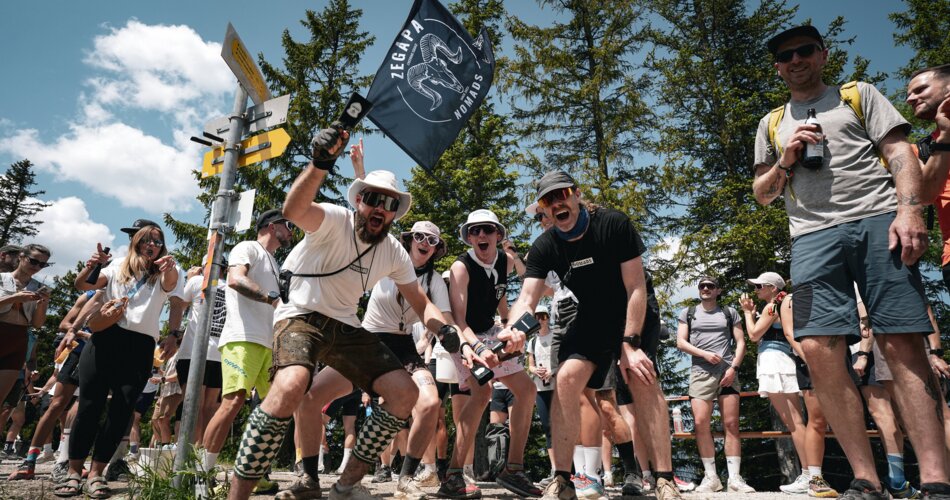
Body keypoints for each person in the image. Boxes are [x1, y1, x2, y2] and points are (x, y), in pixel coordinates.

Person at [752, 24, 950, 497]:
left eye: (803, 51)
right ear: (778, 67)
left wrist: (909, 209)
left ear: (821, 54)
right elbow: (762, 194)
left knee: (902, 343)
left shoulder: (856, 94)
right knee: (819, 350)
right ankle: (865, 477)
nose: (794, 60)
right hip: (812, 236)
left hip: (877, 220)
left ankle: (937, 478)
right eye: (785, 56)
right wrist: (787, 158)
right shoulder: (772, 122)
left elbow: (898, 149)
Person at [226, 124, 464, 500]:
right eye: (372, 199)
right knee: (291, 386)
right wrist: (320, 163)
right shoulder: (333, 219)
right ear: (359, 201)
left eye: (389, 205)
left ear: (395, 213)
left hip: (345, 326)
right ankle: (241, 494)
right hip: (300, 314)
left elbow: (421, 303)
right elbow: (294, 209)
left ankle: (345, 486)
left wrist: (446, 330)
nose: (379, 210)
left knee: (404, 393)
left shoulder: (393, 252)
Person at [505, 171, 681, 500]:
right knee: (567, 378)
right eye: (548, 200)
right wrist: (514, 331)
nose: (558, 202)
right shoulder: (545, 245)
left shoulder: (613, 224)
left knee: (640, 376)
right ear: (543, 210)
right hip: (592, 317)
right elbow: (527, 299)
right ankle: (563, 479)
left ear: (577, 194)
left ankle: (664, 478)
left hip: (634, 309)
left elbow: (636, 287)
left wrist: (630, 344)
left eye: (563, 194)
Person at [59, 224, 177, 498]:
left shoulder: (164, 272)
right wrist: (92, 266)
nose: (152, 245)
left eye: (158, 241)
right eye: (147, 240)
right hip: (106, 340)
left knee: (122, 411)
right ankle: (74, 471)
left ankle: (97, 473)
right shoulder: (117, 268)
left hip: (140, 346)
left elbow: (171, 286)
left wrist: (169, 267)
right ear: (137, 242)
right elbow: (83, 285)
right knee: (89, 406)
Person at [436, 208, 540, 499]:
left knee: (528, 391)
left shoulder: (506, 261)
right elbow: (458, 319)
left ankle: (513, 469)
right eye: (475, 231)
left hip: (492, 332)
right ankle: (454, 475)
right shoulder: (460, 268)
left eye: (487, 229)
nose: (481, 235)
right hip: (465, 336)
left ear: (498, 235)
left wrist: (508, 326)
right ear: (469, 238)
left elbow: (519, 284)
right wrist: (478, 347)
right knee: (481, 395)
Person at [197, 209, 291, 497]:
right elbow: (236, 279)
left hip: (267, 344)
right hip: (243, 338)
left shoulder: (275, 262)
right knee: (232, 402)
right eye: (288, 226)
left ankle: (255, 473)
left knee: (273, 411)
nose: (292, 231)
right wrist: (270, 297)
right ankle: (201, 475)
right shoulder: (247, 247)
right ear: (272, 226)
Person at [677, 276, 751, 493]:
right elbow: (680, 342)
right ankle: (711, 477)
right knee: (701, 423)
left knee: (731, 424)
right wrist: (704, 355)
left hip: (727, 373)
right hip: (700, 373)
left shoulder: (729, 312)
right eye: (702, 286)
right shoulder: (688, 313)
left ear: (718, 290)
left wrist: (733, 368)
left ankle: (735, 478)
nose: (706, 289)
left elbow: (741, 342)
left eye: (710, 286)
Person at [907, 64, 950, 288]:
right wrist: (944, 138)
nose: (910, 99)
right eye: (908, 94)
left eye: (920, 90)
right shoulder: (922, 150)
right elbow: (924, 195)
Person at [0, 244, 51, 407]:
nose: (36, 267)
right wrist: (14, 298)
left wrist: (43, 304)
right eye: (33, 261)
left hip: (18, 340)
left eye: (42, 264)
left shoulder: (38, 287)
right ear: (21, 256)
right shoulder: (2, 278)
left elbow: (37, 324)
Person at [526, 304, 555, 481]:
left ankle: (571, 468)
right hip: (540, 387)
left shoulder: (555, 336)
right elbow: (530, 364)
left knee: (564, 425)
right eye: (536, 317)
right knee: (548, 427)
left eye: (543, 316)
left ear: (547, 317)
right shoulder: (532, 341)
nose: (540, 320)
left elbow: (563, 359)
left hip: (557, 386)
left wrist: (553, 371)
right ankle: (554, 469)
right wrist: (535, 370)